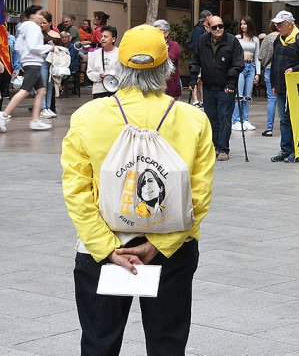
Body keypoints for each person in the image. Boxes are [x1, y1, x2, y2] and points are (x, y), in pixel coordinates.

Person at [61, 24, 214, 355]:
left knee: (99, 343)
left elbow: (77, 190)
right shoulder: (193, 120)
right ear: (167, 68)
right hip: (170, 251)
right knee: (166, 343)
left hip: (104, 249)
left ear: (119, 66)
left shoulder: (88, 116)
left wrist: (106, 248)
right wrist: (158, 245)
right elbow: (198, 197)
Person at [189, 15, 244, 162]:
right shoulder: (202, 40)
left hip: (226, 87)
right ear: (208, 28)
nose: (218, 29)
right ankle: (215, 146)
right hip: (208, 86)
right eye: (214, 27)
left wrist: (232, 83)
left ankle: (224, 148)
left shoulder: (232, 41)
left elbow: (238, 64)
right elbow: (195, 60)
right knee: (212, 118)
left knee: (225, 117)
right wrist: (193, 79)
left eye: (221, 26)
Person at [0, 5, 54, 132]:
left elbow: (19, 47)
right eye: (39, 14)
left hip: (29, 62)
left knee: (41, 91)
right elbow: (33, 47)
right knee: (25, 90)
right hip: (33, 63)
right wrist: (49, 48)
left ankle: (35, 120)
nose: (41, 16)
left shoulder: (23, 28)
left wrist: (25, 57)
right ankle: (4, 115)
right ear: (32, 15)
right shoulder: (34, 28)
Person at [270, 10, 299, 163]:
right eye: (276, 24)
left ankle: (297, 151)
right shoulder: (278, 39)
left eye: (280, 24)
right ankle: (286, 149)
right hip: (281, 86)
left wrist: (294, 69)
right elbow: (274, 62)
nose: (277, 26)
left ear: (290, 25)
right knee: (284, 119)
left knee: (294, 119)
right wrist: (273, 83)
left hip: (295, 86)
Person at [232, 16, 260, 131]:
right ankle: (236, 120)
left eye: (245, 24)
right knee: (239, 95)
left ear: (249, 25)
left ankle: (245, 119)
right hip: (240, 66)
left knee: (248, 95)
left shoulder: (255, 39)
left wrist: (258, 73)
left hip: (251, 66)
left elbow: (257, 57)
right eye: (241, 24)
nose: (242, 26)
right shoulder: (237, 38)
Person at [87, 26, 121, 99]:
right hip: (98, 91)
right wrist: (99, 75)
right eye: (101, 36)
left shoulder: (120, 53)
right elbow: (89, 72)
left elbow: (123, 72)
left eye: (106, 37)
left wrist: (109, 74)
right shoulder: (94, 54)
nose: (102, 39)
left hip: (115, 90)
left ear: (113, 39)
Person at [258, 23, 280, 137]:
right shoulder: (285, 37)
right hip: (283, 70)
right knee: (283, 99)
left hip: (269, 69)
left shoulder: (268, 37)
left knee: (272, 99)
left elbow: (260, 55)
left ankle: (269, 128)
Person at [188, 10, 212, 109]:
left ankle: (202, 100)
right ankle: (195, 100)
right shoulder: (198, 29)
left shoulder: (206, 28)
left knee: (201, 79)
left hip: (204, 58)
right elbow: (195, 45)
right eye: (211, 16)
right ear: (207, 17)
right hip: (198, 58)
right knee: (196, 78)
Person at [153, 20, 182, 99]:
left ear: (166, 33)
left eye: (158, 31)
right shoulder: (152, 46)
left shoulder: (174, 45)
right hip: (155, 86)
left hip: (171, 86)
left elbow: (170, 58)